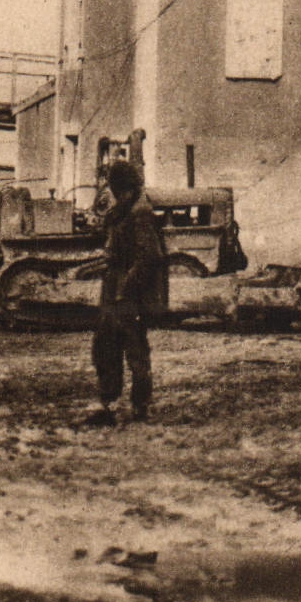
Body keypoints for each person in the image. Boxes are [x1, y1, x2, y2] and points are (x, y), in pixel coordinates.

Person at [82, 160, 167, 427]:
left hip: (130, 295)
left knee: (134, 349)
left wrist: (126, 289)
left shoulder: (140, 213)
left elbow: (149, 257)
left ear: (128, 188)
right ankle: (109, 404)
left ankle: (140, 405)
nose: (118, 195)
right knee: (105, 347)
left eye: (120, 190)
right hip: (116, 290)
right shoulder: (123, 211)